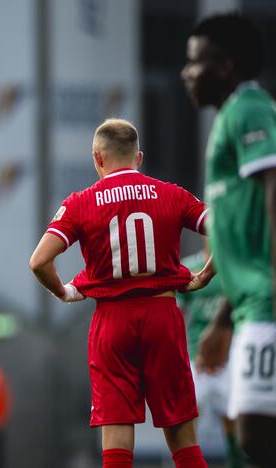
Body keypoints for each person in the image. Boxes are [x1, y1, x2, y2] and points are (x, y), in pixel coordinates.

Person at [29, 118, 214, 468]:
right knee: (183, 440)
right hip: (163, 317)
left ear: (98, 158)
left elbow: (39, 261)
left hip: (111, 323)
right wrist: (207, 273)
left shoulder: (82, 202)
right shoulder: (171, 193)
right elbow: (221, 227)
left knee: (116, 441)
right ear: (138, 157)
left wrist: (65, 292)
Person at [180, 12, 276, 467]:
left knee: (256, 435)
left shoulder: (249, 109)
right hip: (247, 304)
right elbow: (238, 238)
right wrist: (222, 319)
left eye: (195, 63)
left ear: (226, 66)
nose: (187, 74)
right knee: (251, 436)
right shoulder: (228, 118)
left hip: (267, 302)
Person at [178, 251, 246, 468]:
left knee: (232, 413)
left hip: (227, 354)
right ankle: (186, 459)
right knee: (185, 415)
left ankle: (235, 458)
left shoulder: (233, 266)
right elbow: (177, 311)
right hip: (195, 355)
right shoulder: (190, 267)